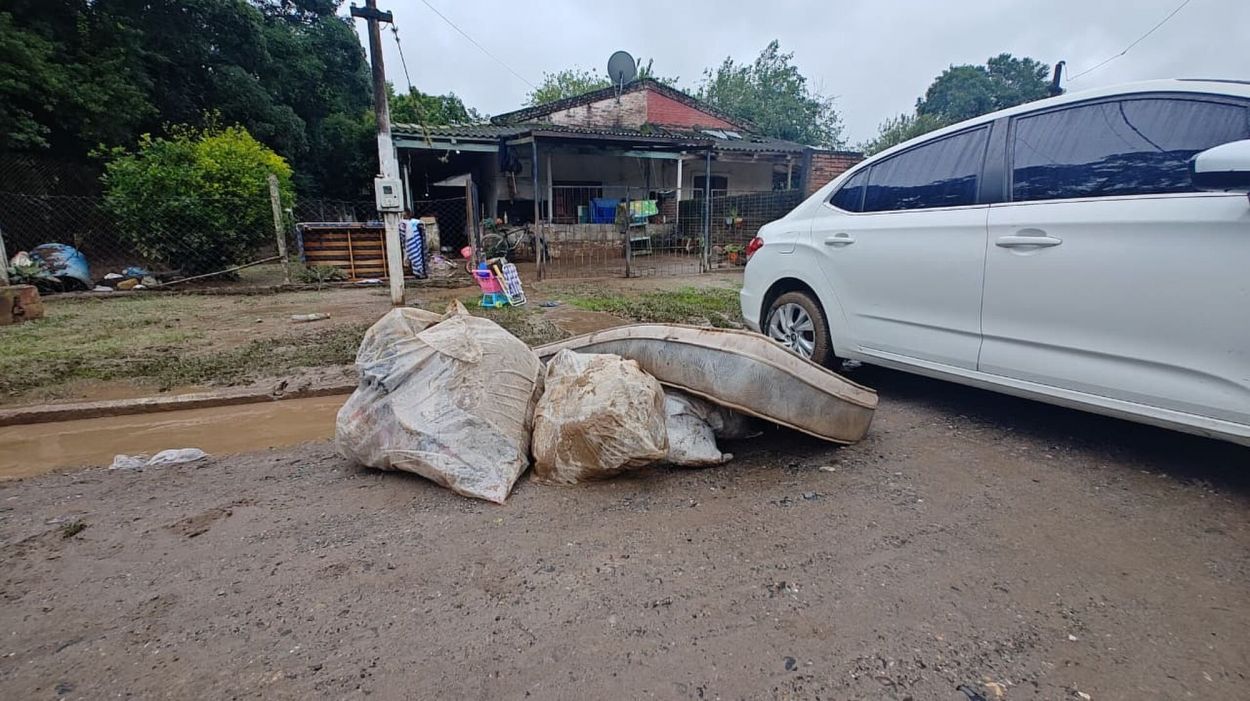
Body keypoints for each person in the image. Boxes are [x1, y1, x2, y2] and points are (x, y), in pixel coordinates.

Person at [398, 210, 426, 279]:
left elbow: (422, 223)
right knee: (414, 255)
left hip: (414, 241)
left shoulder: (413, 222)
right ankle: (417, 271)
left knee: (416, 255)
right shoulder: (402, 223)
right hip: (408, 242)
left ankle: (418, 271)